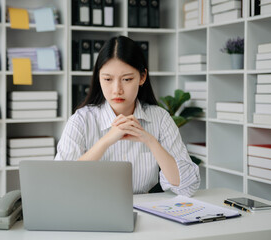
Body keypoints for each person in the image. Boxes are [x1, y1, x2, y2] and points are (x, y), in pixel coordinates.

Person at [55, 36, 200, 197]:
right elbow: (61, 182)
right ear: (98, 77)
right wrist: (106, 141)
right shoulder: (81, 120)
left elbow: (188, 187)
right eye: (108, 79)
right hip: (93, 213)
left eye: (127, 79)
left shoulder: (160, 118)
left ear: (142, 77)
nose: (117, 89)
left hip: (146, 213)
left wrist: (150, 141)